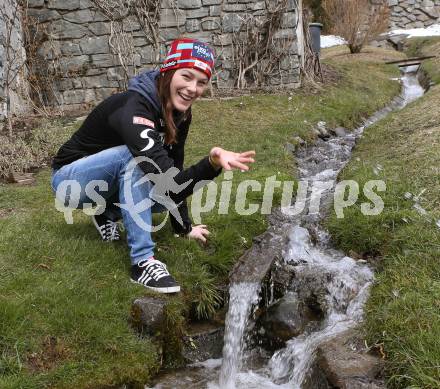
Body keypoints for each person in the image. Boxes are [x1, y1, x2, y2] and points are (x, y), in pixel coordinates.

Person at [51, 38, 255, 294]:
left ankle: (106, 213)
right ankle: (142, 263)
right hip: (70, 182)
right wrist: (210, 163)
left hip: (104, 183)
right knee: (139, 160)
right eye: (187, 76)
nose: (193, 88)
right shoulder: (135, 108)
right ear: (169, 72)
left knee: (158, 195)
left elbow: (173, 174)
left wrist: (183, 227)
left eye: (201, 82)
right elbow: (168, 183)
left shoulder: (181, 112)